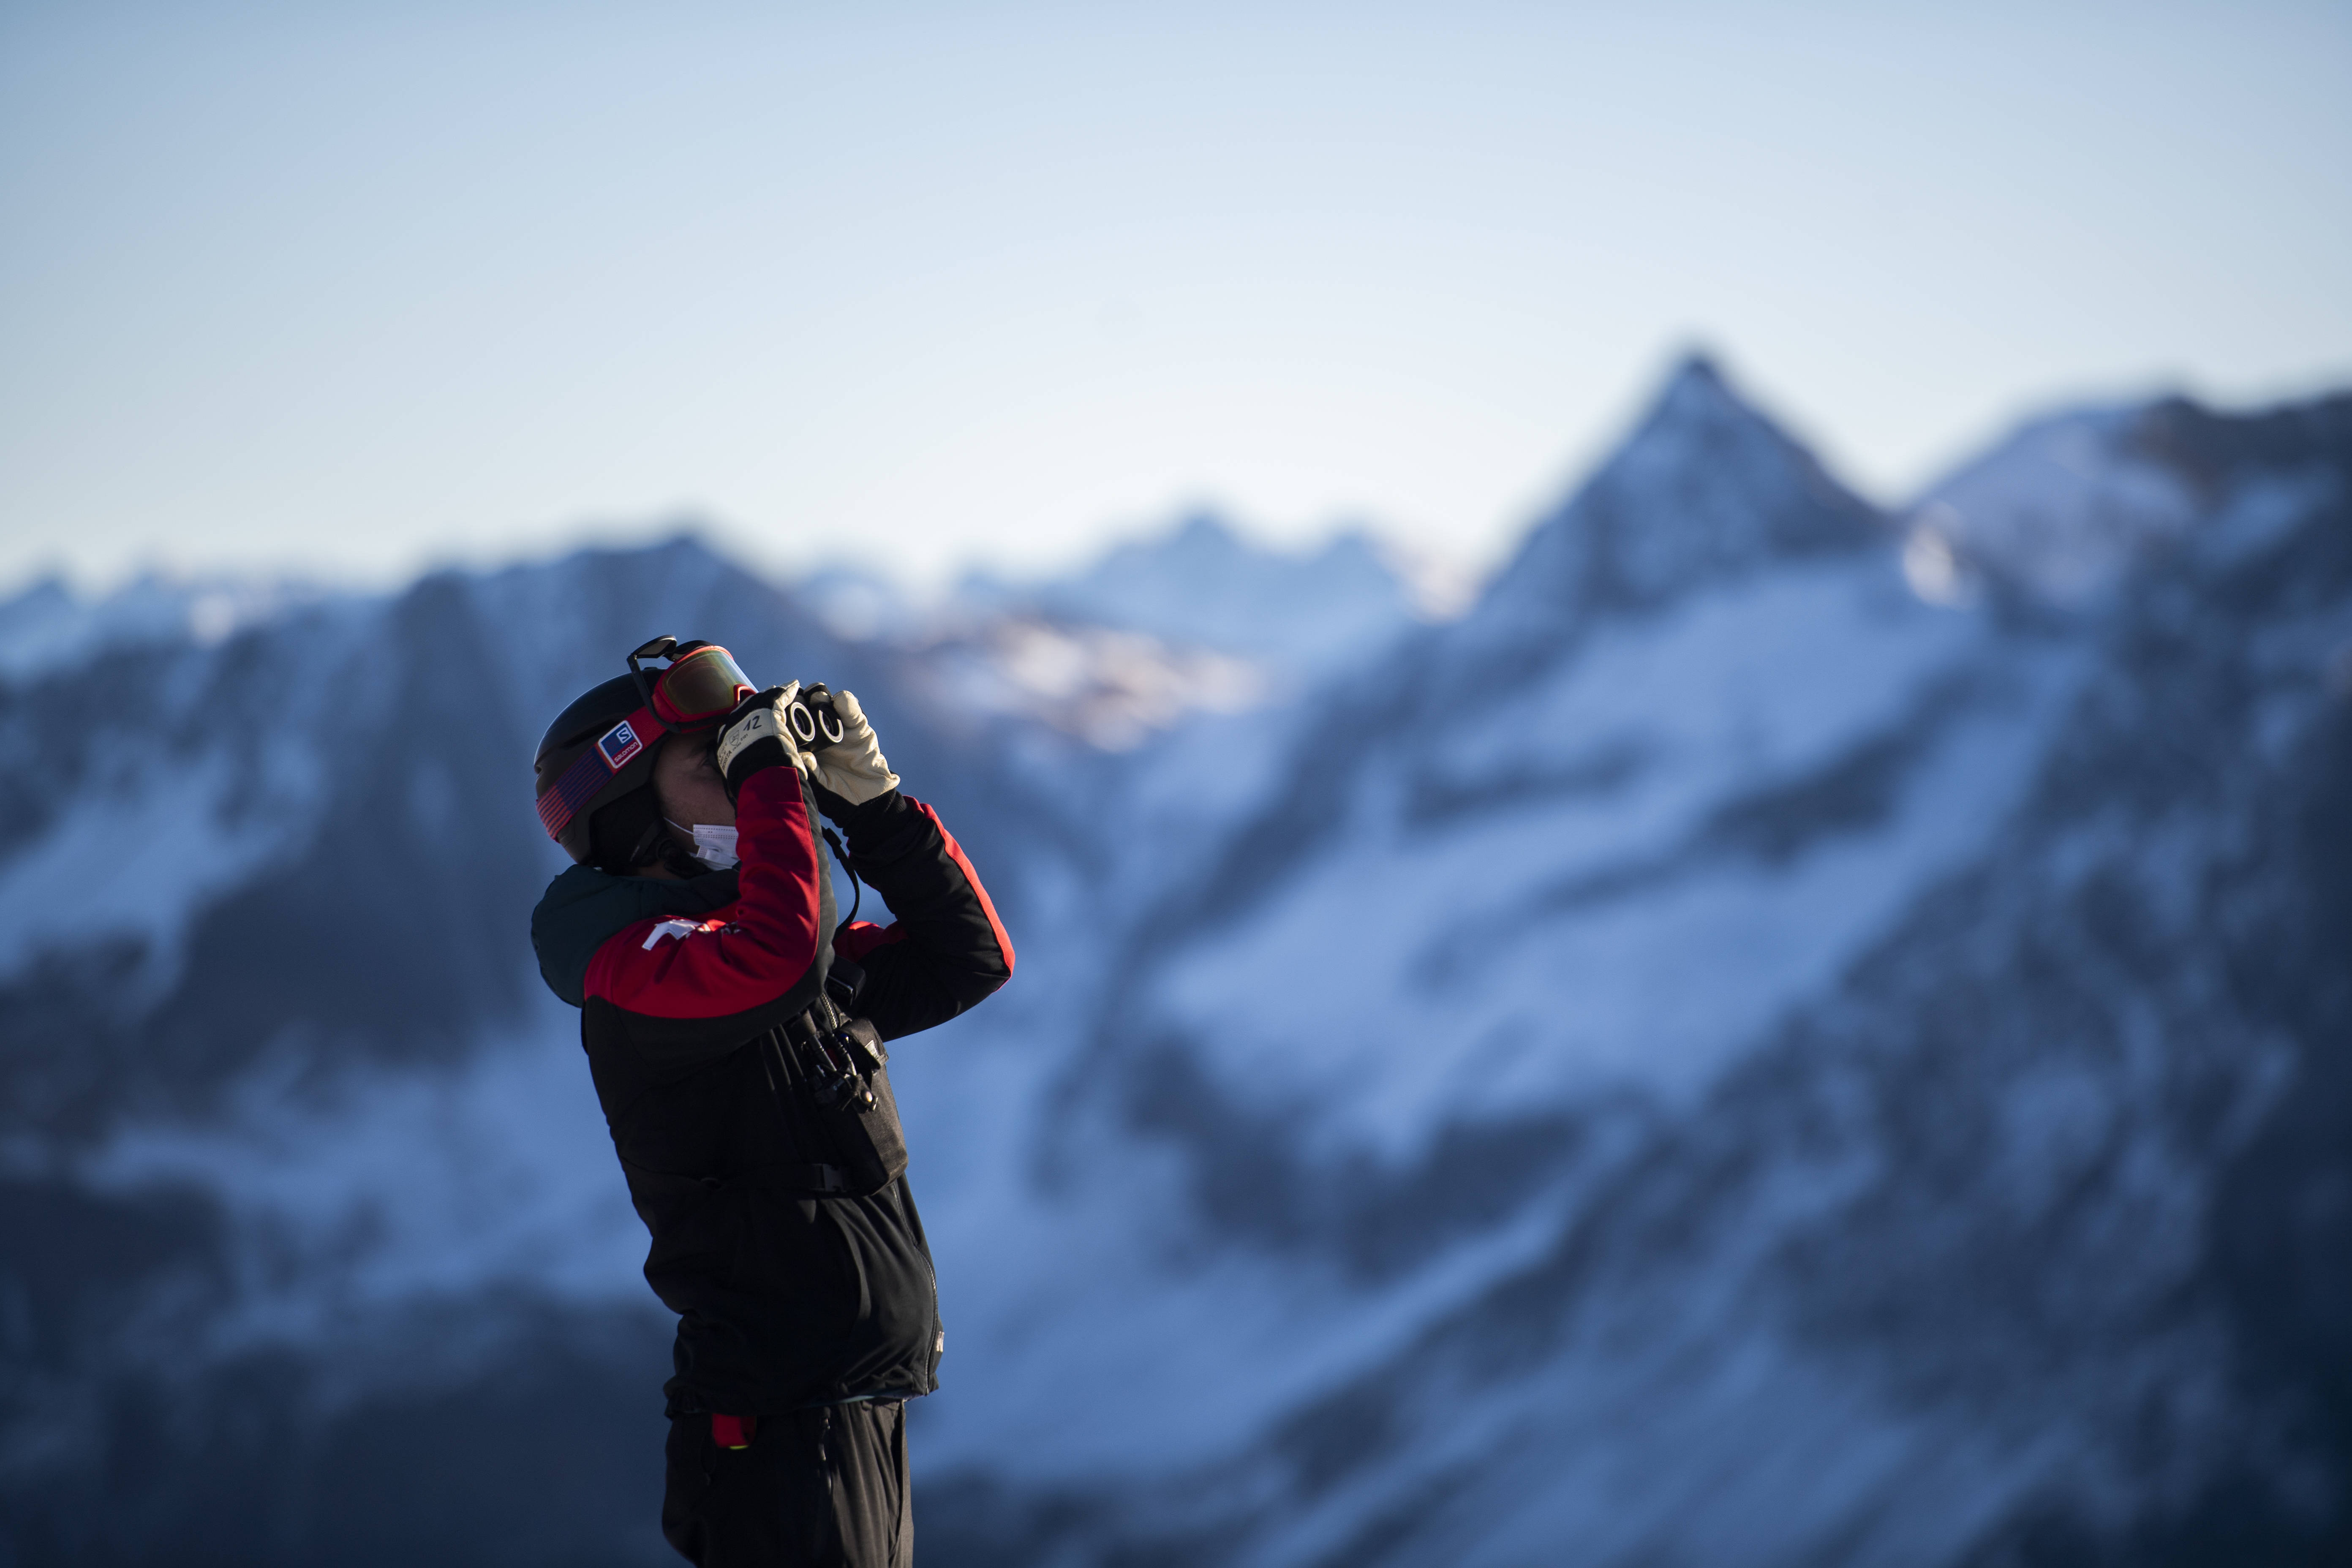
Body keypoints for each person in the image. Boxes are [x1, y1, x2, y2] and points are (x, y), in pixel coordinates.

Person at [528, 637, 1013, 1567]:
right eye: (708, 759)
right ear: (630, 808)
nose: (750, 768)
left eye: (741, 751)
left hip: (849, 1409)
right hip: (775, 1432)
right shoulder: (636, 971)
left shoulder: (758, 958)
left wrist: (876, 808)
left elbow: (969, 958)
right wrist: (769, 781)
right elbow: (777, 958)